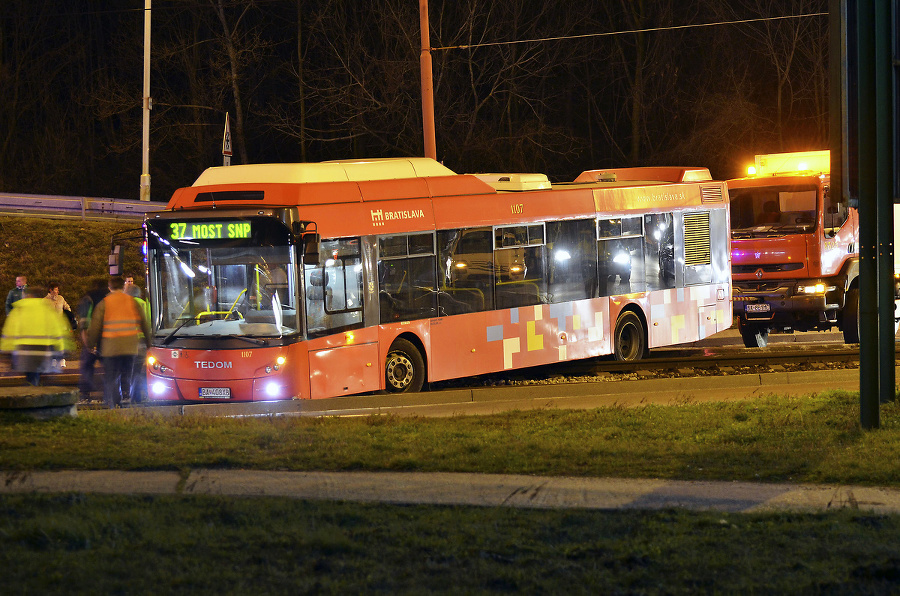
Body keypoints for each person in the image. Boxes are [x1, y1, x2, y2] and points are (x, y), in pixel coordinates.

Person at [86, 276, 151, 408]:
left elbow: (95, 326)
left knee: (112, 375)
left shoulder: (104, 303)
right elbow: (144, 323)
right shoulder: (133, 302)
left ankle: (113, 402)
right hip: (130, 346)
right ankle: (129, 399)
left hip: (111, 347)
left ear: (109, 288)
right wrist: (150, 343)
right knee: (128, 373)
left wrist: (90, 344)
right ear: (124, 287)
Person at [0, 287, 74, 386]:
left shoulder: (18, 310)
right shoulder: (48, 310)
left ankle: (32, 393)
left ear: (26, 296)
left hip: (24, 353)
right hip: (44, 353)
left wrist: (6, 352)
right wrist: (62, 351)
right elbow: (57, 333)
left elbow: (9, 333)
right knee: (41, 377)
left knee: (31, 378)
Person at [76, 277, 110, 401]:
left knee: (86, 366)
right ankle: (108, 395)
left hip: (92, 338)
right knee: (108, 368)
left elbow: (84, 321)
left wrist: (86, 340)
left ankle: (85, 394)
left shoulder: (88, 298)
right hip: (107, 338)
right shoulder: (109, 297)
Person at [125, 283, 150, 403]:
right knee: (138, 370)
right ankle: (137, 396)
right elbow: (148, 322)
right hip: (142, 341)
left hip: (127, 340)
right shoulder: (145, 304)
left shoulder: (125, 304)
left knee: (128, 368)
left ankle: (128, 394)